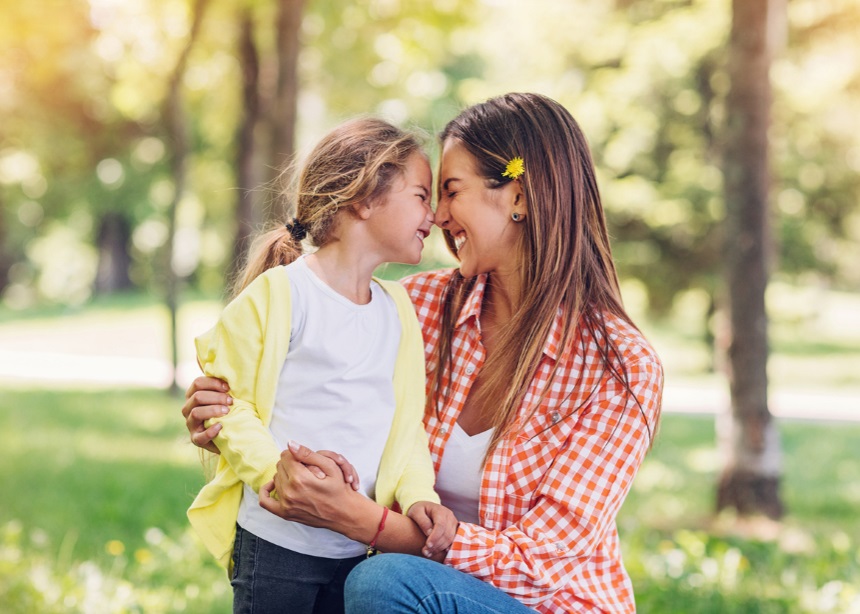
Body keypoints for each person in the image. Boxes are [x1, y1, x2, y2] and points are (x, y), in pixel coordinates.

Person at [184, 93, 664, 613]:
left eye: (451, 192)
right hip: (414, 587)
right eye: (429, 196)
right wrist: (228, 415)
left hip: (546, 604)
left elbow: (540, 566)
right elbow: (311, 394)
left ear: (519, 197)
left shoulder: (620, 365)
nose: (437, 216)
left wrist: (363, 520)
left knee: (381, 582)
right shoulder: (413, 308)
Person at [186, 117, 458, 614]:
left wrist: (419, 495)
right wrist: (279, 478)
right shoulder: (282, 293)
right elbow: (227, 406)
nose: (436, 214)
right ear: (364, 198)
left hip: (355, 553)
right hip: (275, 544)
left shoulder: (399, 310)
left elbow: (405, 429)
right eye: (421, 195)